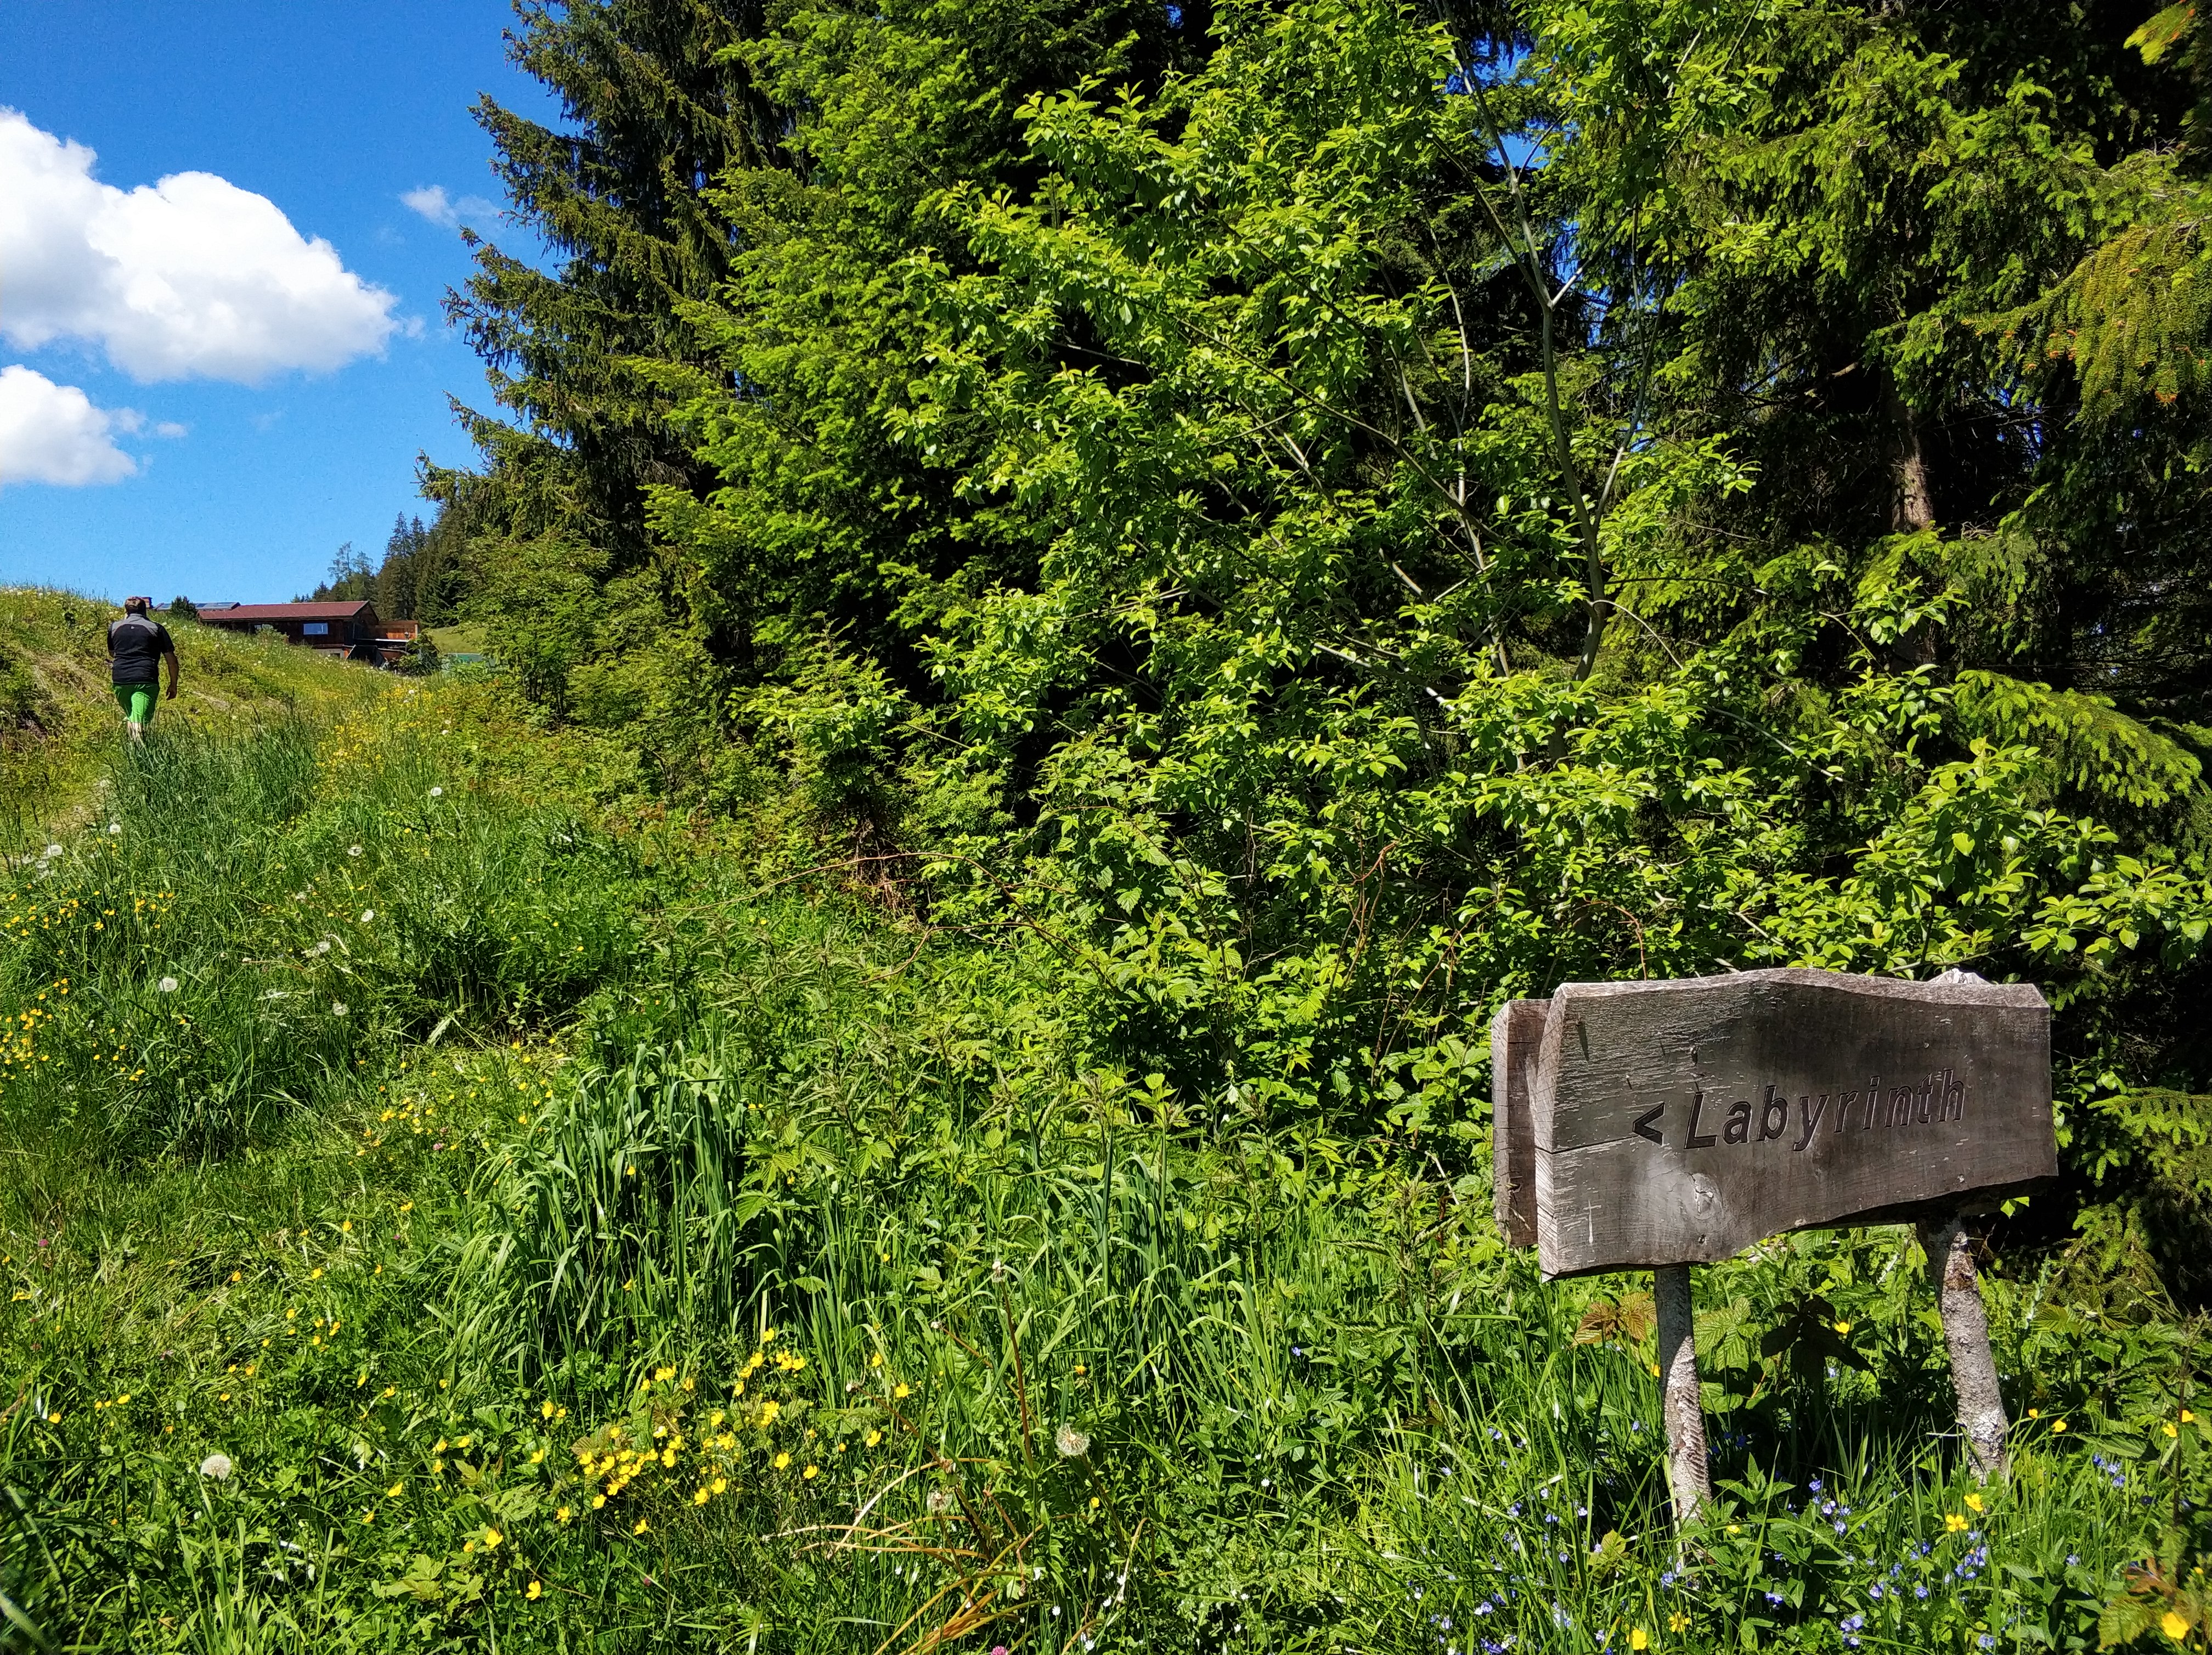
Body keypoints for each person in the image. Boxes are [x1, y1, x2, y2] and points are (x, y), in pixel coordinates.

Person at [107, 596, 179, 744]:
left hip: (120, 680)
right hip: (145, 679)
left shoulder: (114, 627)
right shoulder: (156, 628)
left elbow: (112, 653)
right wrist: (173, 684)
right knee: (139, 719)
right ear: (145, 611)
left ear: (126, 611)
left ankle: (133, 751)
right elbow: (171, 660)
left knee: (133, 716)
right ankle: (140, 754)